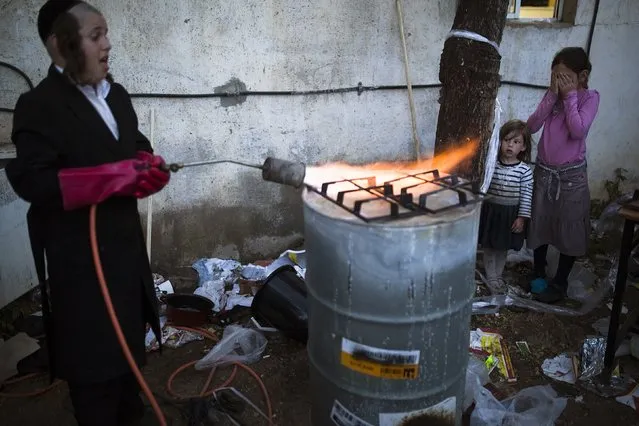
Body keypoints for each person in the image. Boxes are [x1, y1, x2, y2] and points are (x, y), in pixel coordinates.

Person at [5, 1, 170, 425]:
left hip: (126, 260)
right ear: (61, 44)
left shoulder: (116, 96)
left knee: (129, 371)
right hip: (82, 268)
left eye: (106, 33)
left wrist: (146, 163)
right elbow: (32, 180)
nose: (107, 44)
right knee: (96, 381)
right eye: (95, 35)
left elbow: (136, 142)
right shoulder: (37, 106)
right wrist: (105, 179)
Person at [526, 47, 600, 303]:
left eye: (565, 77)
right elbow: (532, 126)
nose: (559, 81)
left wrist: (569, 97)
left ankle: (560, 283)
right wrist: (551, 95)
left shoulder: (589, 98)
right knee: (541, 221)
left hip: (570, 177)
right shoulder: (552, 97)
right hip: (545, 171)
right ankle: (538, 272)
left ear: (582, 76)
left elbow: (578, 131)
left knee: (569, 226)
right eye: (555, 76)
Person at [478, 119, 533, 293]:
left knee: (501, 247)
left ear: (523, 148)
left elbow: (526, 196)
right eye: (507, 140)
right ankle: (490, 275)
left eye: (516, 142)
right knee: (489, 246)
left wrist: (522, 218)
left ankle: (497, 275)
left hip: (509, 214)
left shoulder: (524, 171)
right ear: (499, 142)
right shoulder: (491, 164)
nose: (510, 145)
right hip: (491, 211)